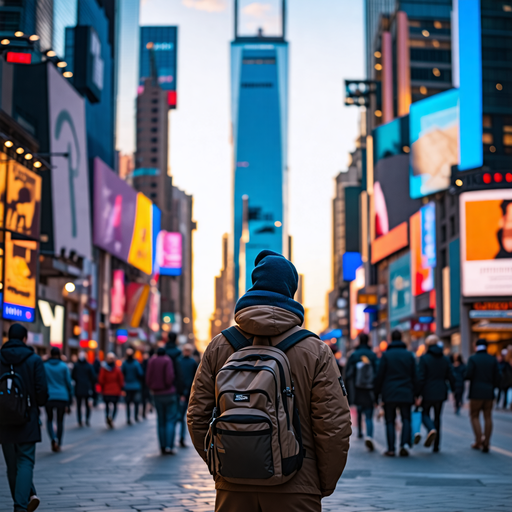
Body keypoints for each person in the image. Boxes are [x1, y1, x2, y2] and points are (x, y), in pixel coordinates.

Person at [188, 250, 351, 512]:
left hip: (232, 485)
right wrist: (322, 483)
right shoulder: (315, 349)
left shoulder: (219, 345)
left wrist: (223, 463)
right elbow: (333, 426)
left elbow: (197, 416)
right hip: (297, 482)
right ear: (290, 291)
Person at [0, 324, 48, 512]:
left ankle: (21, 501)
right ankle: (20, 506)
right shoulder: (34, 360)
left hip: (3, 417)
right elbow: (42, 391)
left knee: (11, 464)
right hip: (27, 417)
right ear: (25, 339)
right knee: (26, 461)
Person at [374, 330, 416, 457]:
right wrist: (417, 394)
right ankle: (404, 445)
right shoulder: (409, 355)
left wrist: (377, 395)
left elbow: (379, 376)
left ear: (390, 339)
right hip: (406, 392)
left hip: (389, 393)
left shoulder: (386, 355)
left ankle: (391, 449)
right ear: (402, 337)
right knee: (406, 419)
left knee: (390, 421)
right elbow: (415, 375)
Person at [416, 335, 456, 453]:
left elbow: (421, 377)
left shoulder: (424, 359)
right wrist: (454, 390)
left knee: (424, 413)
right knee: (438, 417)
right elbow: (451, 376)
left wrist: (417, 393)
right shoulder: (445, 359)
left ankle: (431, 429)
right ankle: (436, 445)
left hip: (427, 392)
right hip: (440, 391)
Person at [465, 339, 501, 452]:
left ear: (476, 346)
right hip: (489, 392)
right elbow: (498, 376)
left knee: (474, 416)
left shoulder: (473, 358)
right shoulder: (492, 359)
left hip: (476, 392)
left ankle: (478, 440)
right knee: (488, 416)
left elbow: (468, 374)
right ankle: (487, 442)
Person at [345, 333, 378, 451]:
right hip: (369, 389)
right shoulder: (373, 355)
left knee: (359, 409)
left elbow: (347, 374)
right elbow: (377, 373)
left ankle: (359, 432)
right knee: (369, 414)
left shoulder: (354, 355)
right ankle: (369, 435)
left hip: (357, 389)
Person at [146, 347, 177, 455]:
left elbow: (148, 378)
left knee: (161, 420)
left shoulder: (152, 361)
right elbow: (169, 377)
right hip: (169, 393)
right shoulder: (167, 360)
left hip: (156, 394)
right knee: (170, 420)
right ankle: (170, 446)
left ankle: (162, 446)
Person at [44, 347, 73, 452]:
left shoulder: (45, 366)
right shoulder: (63, 366)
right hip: (62, 396)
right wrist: (70, 395)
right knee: (60, 421)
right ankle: (59, 442)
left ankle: (52, 438)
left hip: (49, 396)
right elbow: (68, 383)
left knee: (49, 419)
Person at [175, 344, 198, 447]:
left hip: (181, 391)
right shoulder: (192, 362)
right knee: (183, 416)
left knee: (179, 416)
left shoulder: (179, 361)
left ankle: (178, 437)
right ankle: (181, 438)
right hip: (188, 391)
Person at [98, 353, 124, 428]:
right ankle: (112, 418)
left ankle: (107, 416)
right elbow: (121, 380)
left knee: (107, 406)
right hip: (115, 390)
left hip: (107, 390)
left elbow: (101, 380)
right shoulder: (117, 369)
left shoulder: (104, 369)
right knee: (115, 405)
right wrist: (121, 387)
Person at [71, 351, 96, 426]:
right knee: (86, 405)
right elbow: (93, 377)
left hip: (79, 388)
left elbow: (73, 376)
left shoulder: (76, 365)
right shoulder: (89, 366)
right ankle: (86, 419)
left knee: (79, 405)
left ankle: (80, 420)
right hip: (86, 388)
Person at [121, 348, 143, 425]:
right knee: (136, 402)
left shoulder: (124, 363)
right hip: (135, 385)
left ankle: (128, 418)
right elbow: (140, 373)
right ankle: (136, 416)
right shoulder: (136, 363)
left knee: (128, 403)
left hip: (127, 385)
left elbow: (122, 373)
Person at [141, 349, 154, 419]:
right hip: (145, 384)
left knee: (147, 398)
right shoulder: (145, 363)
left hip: (146, 384)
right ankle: (146, 411)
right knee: (147, 398)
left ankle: (147, 410)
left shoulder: (148, 363)